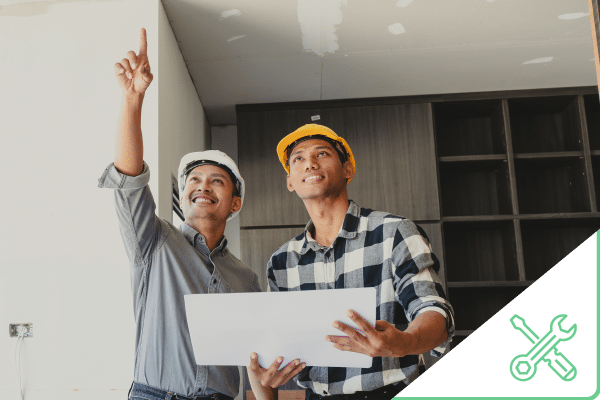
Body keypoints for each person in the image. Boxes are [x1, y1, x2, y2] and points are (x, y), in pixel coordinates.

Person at [98, 28, 267, 400]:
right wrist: (132, 100)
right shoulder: (153, 242)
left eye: (217, 181)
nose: (203, 186)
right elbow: (129, 179)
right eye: (195, 179)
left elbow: (255, 363)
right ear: (184, 193)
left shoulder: (246, 278)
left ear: (234, 203)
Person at [248, 124, 455, 400]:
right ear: (290, 181)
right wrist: (265, 373)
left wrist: (403, 343)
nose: (309, 163)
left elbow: (435, 313)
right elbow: (275, 348)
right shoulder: (282, 262)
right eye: (297, 158)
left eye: (322, 154)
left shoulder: (394, 232)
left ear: (348, 170)